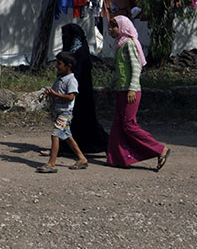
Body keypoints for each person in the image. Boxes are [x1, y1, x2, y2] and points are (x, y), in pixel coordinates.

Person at [107, 15, 170, 171]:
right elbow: (120, 71)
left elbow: (136, 68)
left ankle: (160, 149)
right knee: (118, 125)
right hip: (121, 90)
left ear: (122, 28)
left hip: (130, 91)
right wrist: (109, 86)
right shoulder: (120, 45)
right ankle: (119, 158)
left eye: (113, 27)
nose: (110, 30)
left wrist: (132, 88)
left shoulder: (129, 44)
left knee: (129, 125)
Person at [36, 51, 89, 173]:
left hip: (65, 113)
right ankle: (82, 158)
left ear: (68, 66)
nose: (56, 66)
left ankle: (51, 163)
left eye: (59, 64)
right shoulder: (60, 79)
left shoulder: (71, 80)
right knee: (67, 136)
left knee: (55, 135)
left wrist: (55, 94)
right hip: (59, 111)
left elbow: (71, 97)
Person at [60, 24, 109, 153]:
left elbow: (78, 74)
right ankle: (67, 147)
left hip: (81, 94)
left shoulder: (80, 53)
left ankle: (104, 144)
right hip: (75, 93)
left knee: (83, 121)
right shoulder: (75, 52)